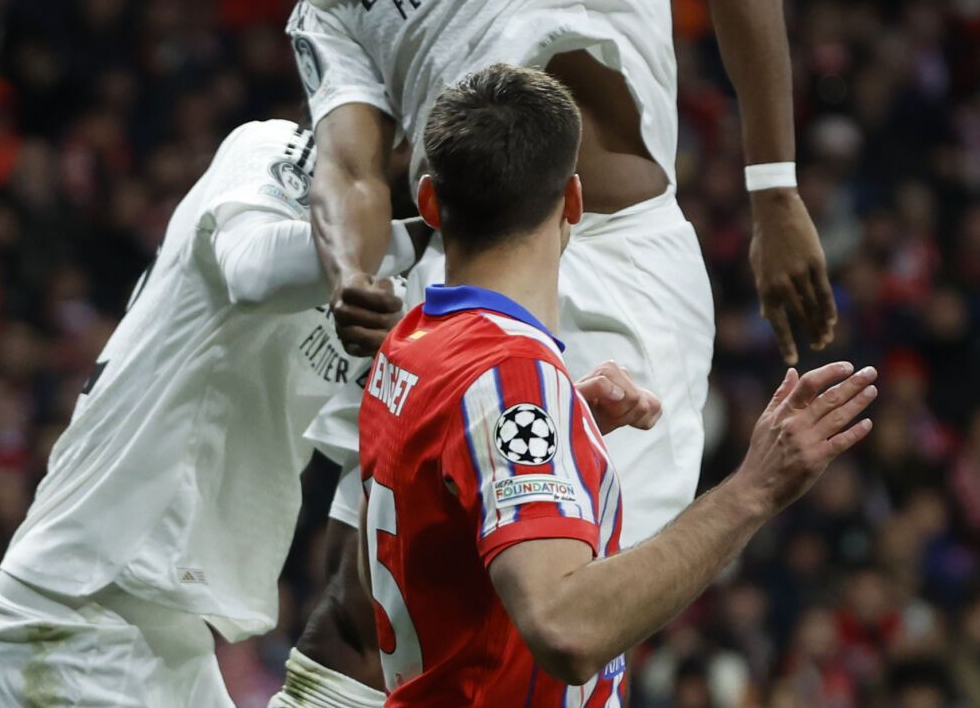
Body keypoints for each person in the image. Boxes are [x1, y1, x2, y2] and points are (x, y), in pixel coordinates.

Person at [213, 0, 835, 706]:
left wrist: (773, 189)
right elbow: (351, 159)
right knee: (363, 606)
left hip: (615, 260)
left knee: (571, 612)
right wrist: (350, 269)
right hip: (454, 299)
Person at [359, 64, 877, 702]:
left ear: (431, 203)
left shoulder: (409, 345)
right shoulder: (509, 381)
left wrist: (566, 421)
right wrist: (753, 490)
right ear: (574, 200)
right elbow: (566, 628)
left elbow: (435, 511)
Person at [0, 120, 422, 708]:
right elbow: (253, 271)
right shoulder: (281, 152)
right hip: (76, 610)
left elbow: (365, 472)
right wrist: (433, 234)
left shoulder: (411, 283)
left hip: (163, 633)